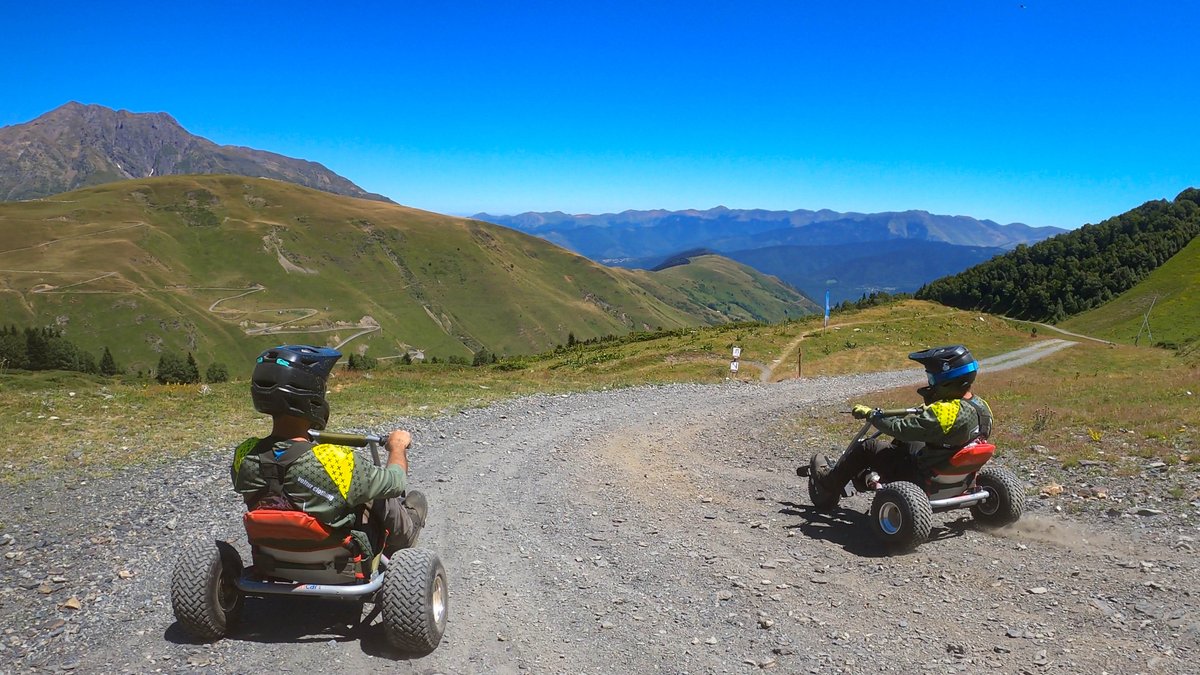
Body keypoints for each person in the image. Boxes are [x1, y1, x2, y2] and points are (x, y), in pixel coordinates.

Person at [231, 344, 428, 555]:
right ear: (312, 398)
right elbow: (396, 483)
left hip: (271, 554)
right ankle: (403, 540)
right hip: (337, 560)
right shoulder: (334, 460)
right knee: (399, 497)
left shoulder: (245, 455)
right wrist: (397, 447)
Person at [809, 344, 993, 507]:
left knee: (868, 446)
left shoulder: (946, 412)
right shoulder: (981, 406)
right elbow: (936, 428)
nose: (931, 383)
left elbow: (900, 429)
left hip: (924, 475)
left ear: (947, 380)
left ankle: (829, 482)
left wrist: (872, 415)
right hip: (955, 471)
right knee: (909, 441)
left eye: (932, 379)